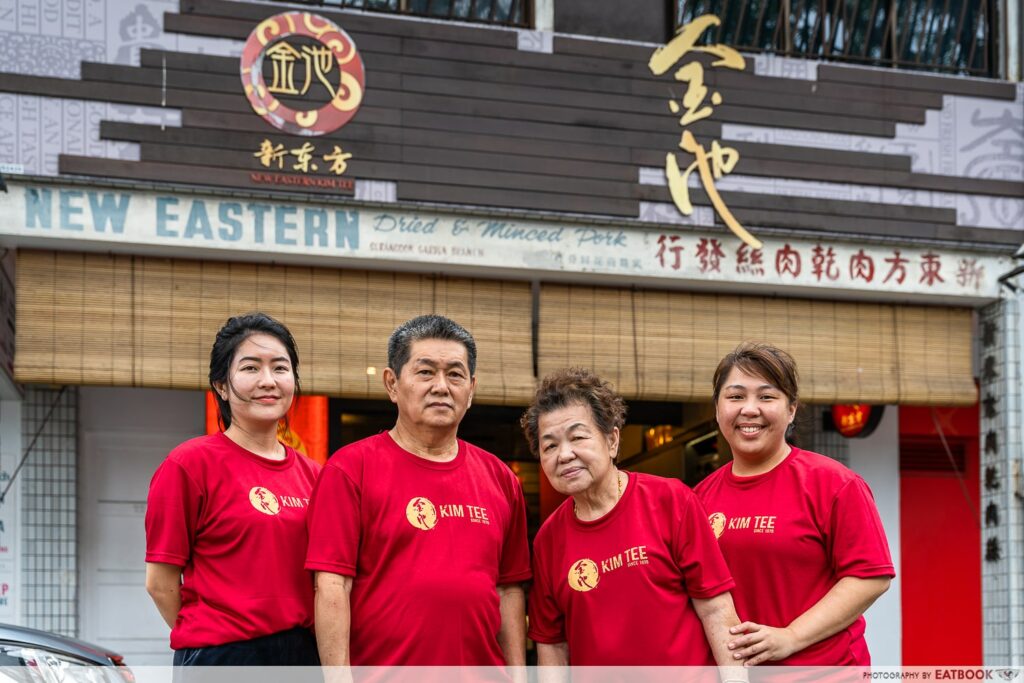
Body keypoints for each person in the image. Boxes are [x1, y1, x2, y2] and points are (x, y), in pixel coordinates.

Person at [306, 314, 531, 666]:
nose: (441, 386)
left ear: (471, 389)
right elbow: (333, 587)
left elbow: (508, 590)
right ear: (392, 384)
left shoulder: (501, 479)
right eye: (425, 372)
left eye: (455, 374)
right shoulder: (350, 470)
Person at [522, 368, 743, 668]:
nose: (564, 455)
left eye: (578, 437)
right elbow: (552, 644)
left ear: (612, 440)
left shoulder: (671, 501)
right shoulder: (548, 540)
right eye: (550, 446)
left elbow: (717, 611)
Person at [695, 343, 894, 666]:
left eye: (766, 396)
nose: (749, 409)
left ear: (791, 410)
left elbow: (870, 577)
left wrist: (791, 636)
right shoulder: (699, 498)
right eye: (735, 397)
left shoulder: (834, 483)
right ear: (717, 409)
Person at [145, 312, 321, 665]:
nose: (268, 380)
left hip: (303, 654)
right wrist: (211, 636)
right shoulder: (189, 465)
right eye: (251, 367)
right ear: (222, 386)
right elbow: (159, 582)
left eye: (280, 368)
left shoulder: (315, 475)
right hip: (224, 655)